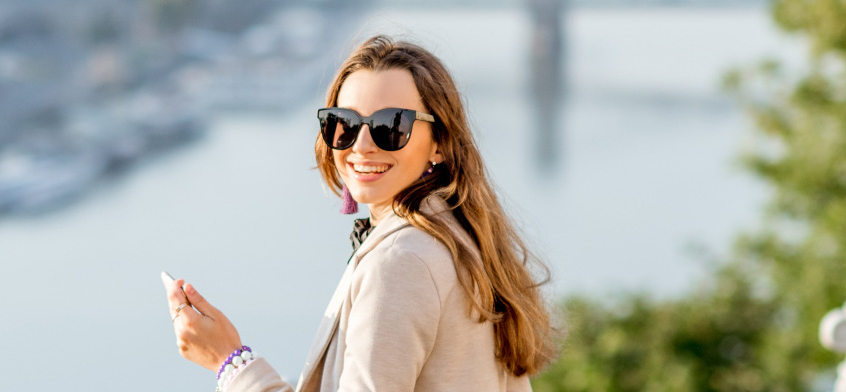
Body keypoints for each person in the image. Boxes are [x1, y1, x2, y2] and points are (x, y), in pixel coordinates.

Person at [165, 35, 555, 391]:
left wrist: (231, 362)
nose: (362, 145)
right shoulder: (459, 236)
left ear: (440, 144)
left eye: (391, 126)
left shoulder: (402, 261)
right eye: (345, 124)